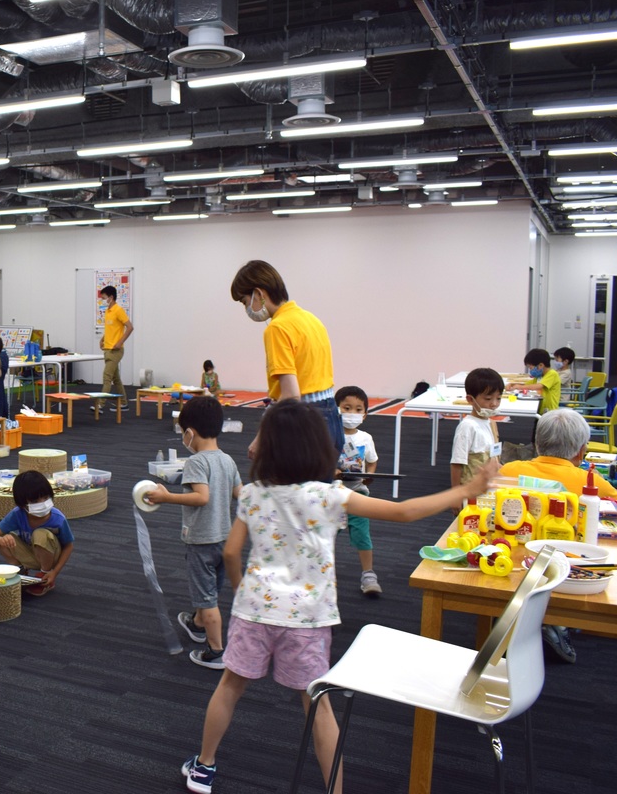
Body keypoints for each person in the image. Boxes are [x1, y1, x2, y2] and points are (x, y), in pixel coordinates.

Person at [180, 399, 497, 794]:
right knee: (317, 704)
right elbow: (403, 512)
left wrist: (243, 589)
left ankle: (205, 766)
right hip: (309, 620)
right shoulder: (330, 495)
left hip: (254, 612)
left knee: (229, 687)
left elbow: (231, 553)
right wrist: (465, 490)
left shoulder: (253, 495)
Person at [499, 407, 617, 664]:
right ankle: (558, 624)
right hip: (569, 566)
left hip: (514, 560)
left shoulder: (509, 470)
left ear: (537, 443)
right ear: (581, 451)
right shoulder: (589, 480)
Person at [143, 396, 241, 669]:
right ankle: (197, 624)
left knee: (207, 599)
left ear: (190, 432)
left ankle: (216, 651)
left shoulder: (196, 462)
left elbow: (201, 497)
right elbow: (241, 494)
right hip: (225, 539)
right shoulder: (227, 460)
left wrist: (166, 497)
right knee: (209, 590)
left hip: (202, 541)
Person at [229, 260, 342, 458]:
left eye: (245, 301)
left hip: (303, 423)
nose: (246, 308)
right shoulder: (310, 319)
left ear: (259, 294)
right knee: (322, 479)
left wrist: (261, 437)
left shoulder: (277, 328)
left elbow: (290, 395)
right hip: (331, 417)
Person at [0, 470, 74, 596]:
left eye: (45, 498)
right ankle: (19, 569)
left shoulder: (58, 518)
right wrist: (1, 540)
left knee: (40, 534)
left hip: (51, 556)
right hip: (29, 554)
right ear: (22, 504)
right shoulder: (17, 514)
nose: (42, 504)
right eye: (34, 501)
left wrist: (54, 572)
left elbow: (68, 546)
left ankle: (44, 575)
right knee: (4, 537)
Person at [335, 386, 382, 596]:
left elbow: (372, 461)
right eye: (346, 408)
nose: (352, 413)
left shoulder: (365, 438)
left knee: (362, 534)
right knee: (325, 534)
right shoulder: (330, 435)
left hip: (357, 493)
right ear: (336, 410)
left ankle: (368, 574)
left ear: (364, 414)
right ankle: (323, 572)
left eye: (358, 409)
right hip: (331, 494)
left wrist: (369, 475)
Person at [450, 367, 504, 491]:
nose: (494, 404)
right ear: (470, 399)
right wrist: (456, 495)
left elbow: (493, 455)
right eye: (488, 399)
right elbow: (457, 463)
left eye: (498, 398)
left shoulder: (491, 423)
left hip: (489, 488)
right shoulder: (467, 426)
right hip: (471, 492)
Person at [95, 285, 133, 414]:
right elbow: (110, 330)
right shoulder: (108, 311)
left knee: (107, 377)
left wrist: (120, 342)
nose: (103, 301)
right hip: (107, 349)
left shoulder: (118, 310)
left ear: (111, 297)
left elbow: (130, 327)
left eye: (104, 298)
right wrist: (102, 339)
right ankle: (124, 403)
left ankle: (100, 405)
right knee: (116, 379)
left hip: (116, 350)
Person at [508, 348, 562, 415]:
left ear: (541, 365)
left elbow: (538, 386)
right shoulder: (540, 376)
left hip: (550, 413)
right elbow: (527, 384)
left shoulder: (552, 374)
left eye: (531, 368)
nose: (530, 370)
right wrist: (512, 384)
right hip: (541, 410)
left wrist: (518, 387)